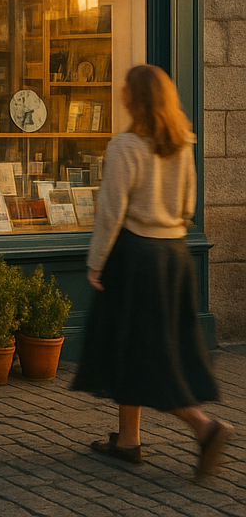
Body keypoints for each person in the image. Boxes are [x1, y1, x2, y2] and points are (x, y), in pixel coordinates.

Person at [72, 64, 232, 479]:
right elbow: (187, 205)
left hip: (136, 255)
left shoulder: (125, 145)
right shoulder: (181, 142)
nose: (120, 88)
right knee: (136, 344)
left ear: (135, 96)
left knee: (145, 351)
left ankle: (205, 427)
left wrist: (96, 262)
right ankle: (128, 441)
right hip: (174, 253)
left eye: (126, 84)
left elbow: (111, 212)